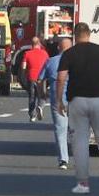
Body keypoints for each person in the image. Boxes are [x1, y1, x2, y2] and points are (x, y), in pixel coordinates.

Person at [56, 23, 99, 194]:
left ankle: (83, 183)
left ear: (75, 36)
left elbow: (61, 78)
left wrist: (59, 100)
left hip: (77, 101)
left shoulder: (69, 53)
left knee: (80, 142)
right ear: (89, 34)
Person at [41, 35, 72, 168]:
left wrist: (42, 94)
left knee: (61, 130)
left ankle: (63, 160)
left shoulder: (51, 61)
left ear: (58, 47)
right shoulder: (77, 62)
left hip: (57, 99)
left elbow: (40, 79)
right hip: (76, 100)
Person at [21, 36, 50, 122]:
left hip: (31, 77)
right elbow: (48, 65)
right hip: (41, 78)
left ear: (32, 44)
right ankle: (40, 106)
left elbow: (23, 67)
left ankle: (32, 115)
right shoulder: (45, 53)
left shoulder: (27, 53)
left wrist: (23, 76)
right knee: (42, 96)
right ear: (39, 44)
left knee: (32, 97)